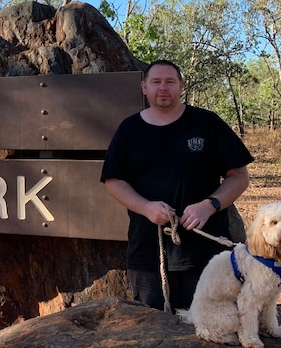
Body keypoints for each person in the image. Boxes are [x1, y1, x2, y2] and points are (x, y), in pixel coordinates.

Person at [100, 60, 254, 312]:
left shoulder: (207, 123)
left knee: (210, 326)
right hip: (148, 252)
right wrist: (146, 207)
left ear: (181, 86)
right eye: (156, 82)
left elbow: (239, 176)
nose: (163, 88)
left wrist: (210, 205)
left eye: (170, 82)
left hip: (206, 253)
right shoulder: (129, 129)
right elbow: (114, 181)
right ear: (144, 87)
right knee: (153, 329)